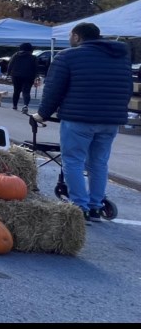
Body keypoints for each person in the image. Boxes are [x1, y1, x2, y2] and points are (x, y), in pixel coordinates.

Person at [32, 22, 133, 224]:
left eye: (71, 35)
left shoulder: (68, 56)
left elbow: (53, 89)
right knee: (99, 162)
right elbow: (127, 87)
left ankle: (80, 206)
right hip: (110, 119)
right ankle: (96, 205)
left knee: (73, 161)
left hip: (79, 118)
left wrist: (42, 114)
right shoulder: (120, 57)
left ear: (77, 37)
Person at [7, 42, 38, 113]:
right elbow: (36, 68)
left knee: (16, 91)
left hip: (16, 75)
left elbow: (10, 64)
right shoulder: (33, 57)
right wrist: (36, 76)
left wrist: (8, 73)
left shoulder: (15, 55)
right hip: (29, 76)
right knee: (26, 91)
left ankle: (15, 105)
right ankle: (25, 105)